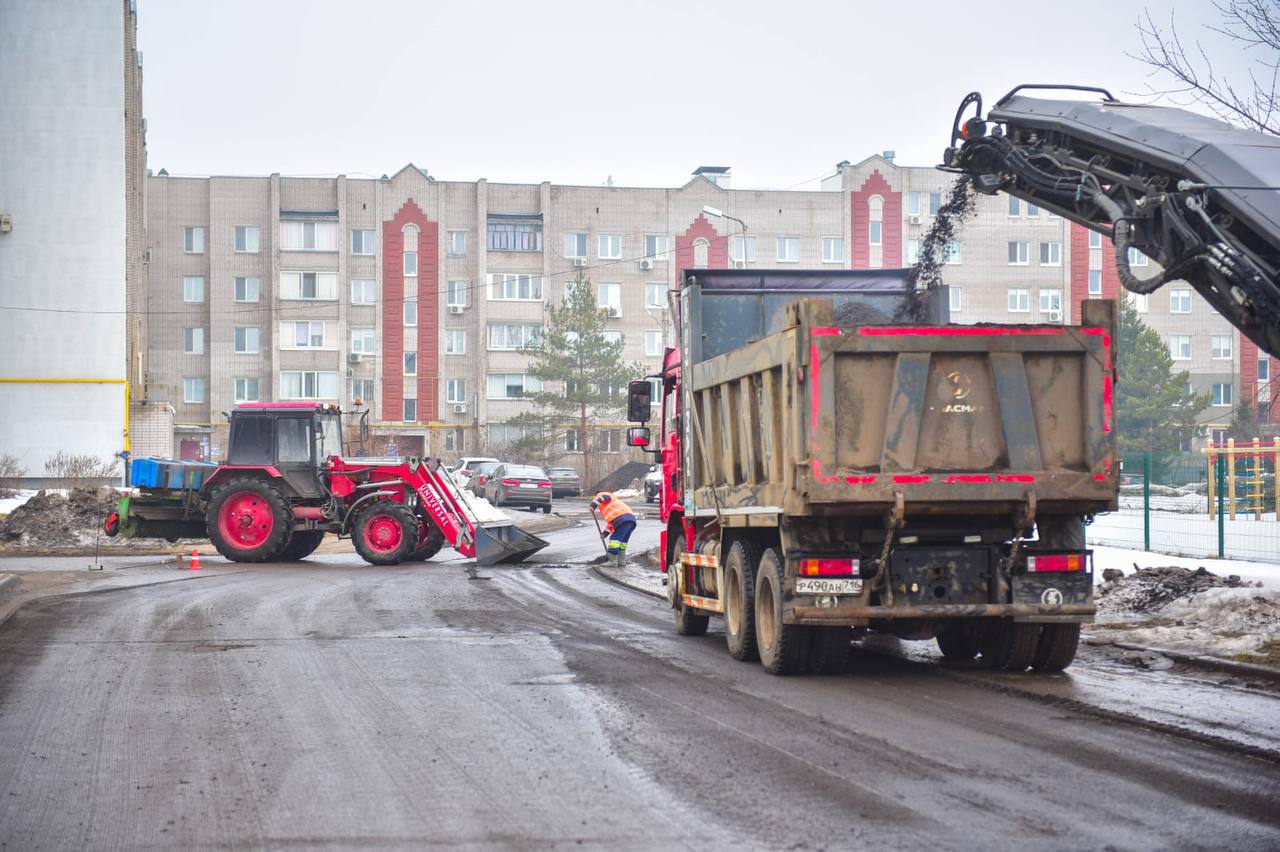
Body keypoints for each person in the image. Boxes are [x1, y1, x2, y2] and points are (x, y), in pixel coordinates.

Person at [591, 492, 636, 566]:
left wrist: (593, 506)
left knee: (614, 540)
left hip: (622, 519)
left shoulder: (602, 495)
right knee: (622, 542)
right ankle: (621, 561)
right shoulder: (614, 505)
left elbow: (604, 497)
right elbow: (611, 524)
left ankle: (613, 561)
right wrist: (605, 534)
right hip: (630, 520)